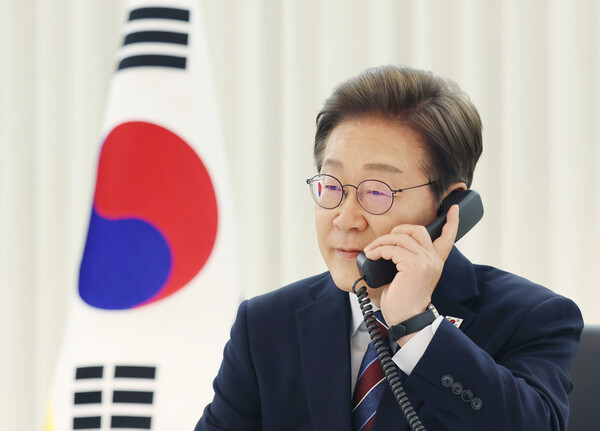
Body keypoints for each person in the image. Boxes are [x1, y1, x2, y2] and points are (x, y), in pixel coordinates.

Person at [195, 65, 583, 431]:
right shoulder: (265, 325)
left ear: (449, 207)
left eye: (377, 192)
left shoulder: (532, 318)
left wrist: (418, 327)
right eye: (331, 186)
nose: (345, 218)